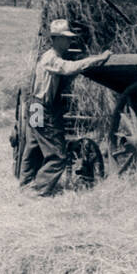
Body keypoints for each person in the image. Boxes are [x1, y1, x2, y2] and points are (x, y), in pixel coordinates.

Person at [18, 19, 111, 196]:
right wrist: (98, 59)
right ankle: (38, 190)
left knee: (33, 147)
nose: (70, 42)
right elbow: (69, 68)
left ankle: (25, 185)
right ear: (57, 39)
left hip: (36, 106)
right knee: (58, 156)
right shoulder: (51, 58)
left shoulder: (50, 57)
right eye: (67, 38)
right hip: (42, 108)